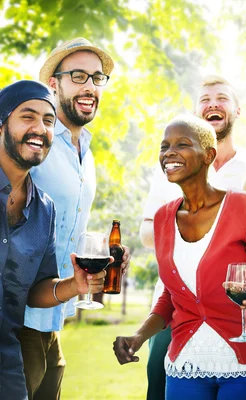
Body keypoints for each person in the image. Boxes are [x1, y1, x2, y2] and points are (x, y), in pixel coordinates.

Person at [114, 115, 246, 399]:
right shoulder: (163, 218)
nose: (169, 152)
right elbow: (172, 295)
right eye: (164, 146)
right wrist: (139, 336)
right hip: (186, 364)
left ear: (209, 155)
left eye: (182, 144)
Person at [19, 38, 130, 400]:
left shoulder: (87, 151)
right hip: (17, 314)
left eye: (97, 78)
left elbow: (65, 221)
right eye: (78, 76)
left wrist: (99, 251)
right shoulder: (35, 139)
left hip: (54, 313)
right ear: (55, 84)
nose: (89, 87)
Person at [139, 75, 246, 400]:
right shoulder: (172, 163)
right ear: (195, 112)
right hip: (175, 308)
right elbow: (148, 231)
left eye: (221, 98)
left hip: (237, 312)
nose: (213, 104)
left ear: (237, 110)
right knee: (161, 388)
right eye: (205, 99)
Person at [0, 80, 106, 400]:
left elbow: (36, 291)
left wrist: (75, 285)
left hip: (9, 361)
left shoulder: (44, 209)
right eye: (28, 117)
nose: (41, 128)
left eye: (48, 121)